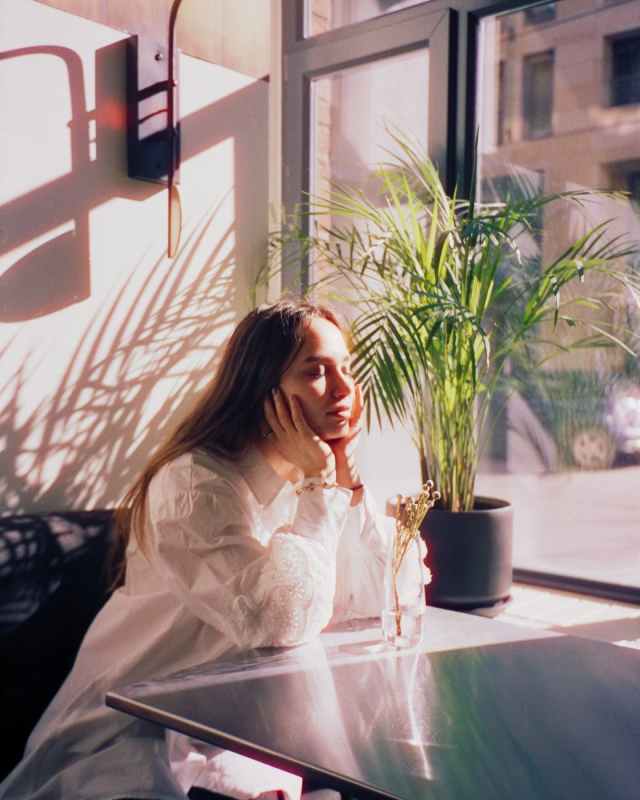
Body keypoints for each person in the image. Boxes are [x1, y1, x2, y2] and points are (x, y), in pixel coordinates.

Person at [0, 300, 395, 800]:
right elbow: (277, 621)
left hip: (238, 733)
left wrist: (349, 483)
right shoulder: (194, 485)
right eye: (315, 372)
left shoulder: (304, 479)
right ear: (264, 392)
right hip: (129, 739)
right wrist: (322, 484)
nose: (343, 390)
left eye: (346, 368)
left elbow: (379, 601)